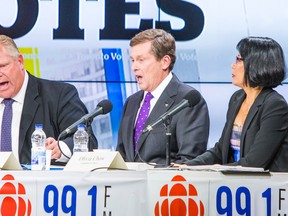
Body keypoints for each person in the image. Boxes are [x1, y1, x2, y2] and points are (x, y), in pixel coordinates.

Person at [185, 36, 288, 172]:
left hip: (264, 188)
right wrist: (189, 166)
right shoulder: (237, 98)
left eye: (239, 60)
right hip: (235, 183)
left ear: (257, 64)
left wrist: (214, 170)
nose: (233, 65)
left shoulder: (275, 106)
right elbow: (220, 150)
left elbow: (255, 163)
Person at [0, 34, 98, 165]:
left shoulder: (59, 95)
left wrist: (61, 148)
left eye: (2, 66)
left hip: (40, 184)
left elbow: (88, 140)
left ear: (20, 62)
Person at [117, 29, 210, 165]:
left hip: (165, 185)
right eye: (132, 60)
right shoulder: (131, 102)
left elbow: (189, 160)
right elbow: (121, 154)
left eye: (141, 60)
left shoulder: (187, 101)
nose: (134, 67)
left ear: (165, 62)